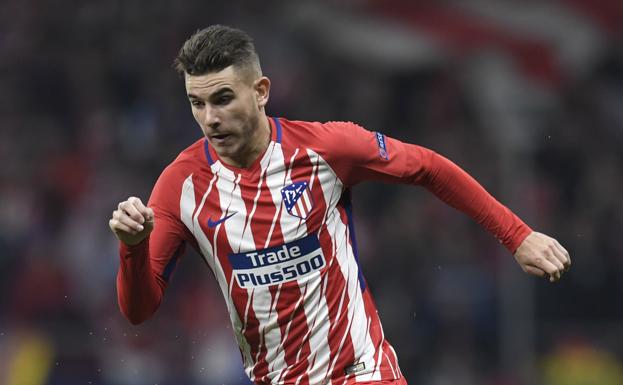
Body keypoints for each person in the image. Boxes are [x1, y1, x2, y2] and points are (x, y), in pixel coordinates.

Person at [109, 25, 571, 385]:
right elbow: (139, 311)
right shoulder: (180, 185)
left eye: (223, 98)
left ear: (261, 91)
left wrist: (518, 235)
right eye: (197, 103)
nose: (210, 118)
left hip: (363, 374)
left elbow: (427, 166)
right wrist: (132, 247)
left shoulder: (327, 149)